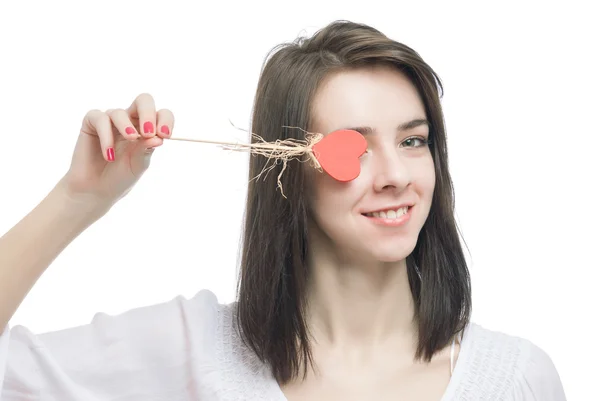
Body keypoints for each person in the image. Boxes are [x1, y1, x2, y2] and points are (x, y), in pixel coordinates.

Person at [0, 20, 566, 400]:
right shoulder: (190, 347)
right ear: (288, 171)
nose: (396, 176)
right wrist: (79, 200)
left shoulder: (518, 379)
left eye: (413, 141)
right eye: (355, 148)